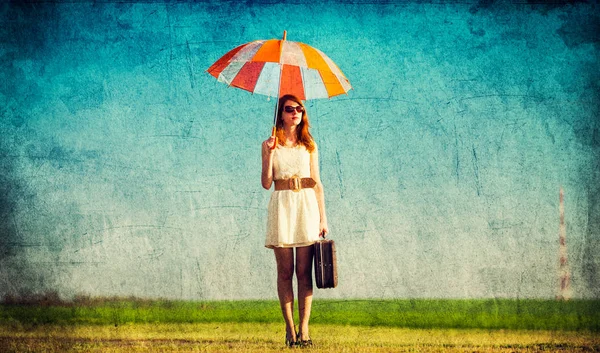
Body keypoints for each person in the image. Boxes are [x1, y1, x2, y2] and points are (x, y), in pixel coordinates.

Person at [261, 94, 329, 348]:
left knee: (304, 272)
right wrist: (269, 154)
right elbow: (266, 183)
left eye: (299, 109)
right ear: (280, 114)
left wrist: (324, 217)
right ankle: (290, 331)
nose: (296, 113)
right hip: (282, 205)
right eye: (290, 109)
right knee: (284, 272)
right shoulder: (269, 144)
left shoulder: (309, 144)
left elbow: (318, 182)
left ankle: (305, 331)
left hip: (306, 206)